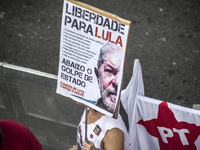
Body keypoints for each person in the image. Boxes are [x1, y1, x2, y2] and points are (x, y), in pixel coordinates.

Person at [95, 43, 123, 113]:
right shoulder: (87, 113)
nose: (116, 82)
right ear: (97, 74)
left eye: (122, 74)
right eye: (109, 71)